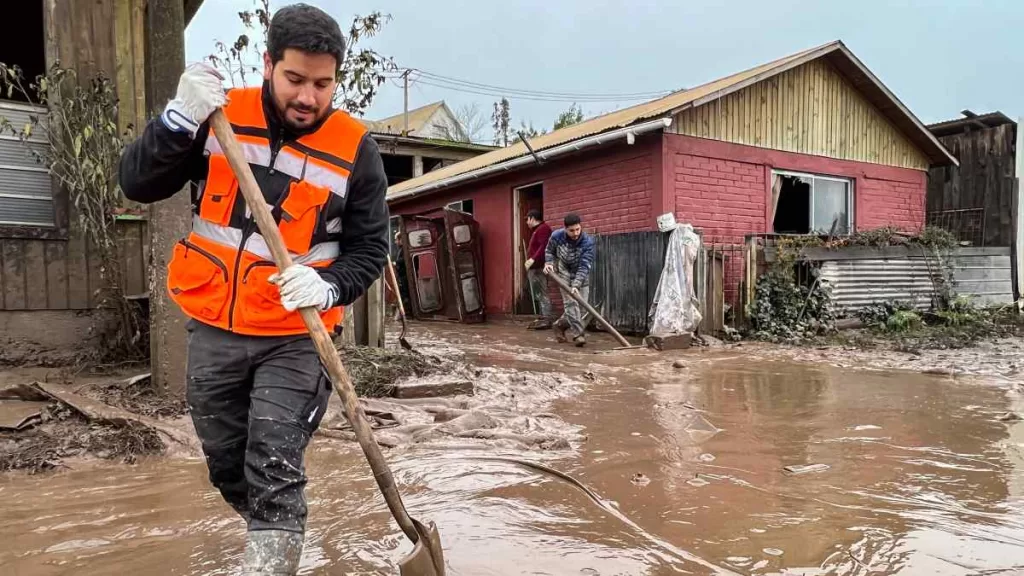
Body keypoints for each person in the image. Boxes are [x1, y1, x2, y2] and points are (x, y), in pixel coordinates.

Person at [117, 4, 389, 574]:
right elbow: (138, 184)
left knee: (274, 455)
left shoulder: (355, 150)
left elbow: (369, 250)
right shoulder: (219, 117)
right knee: (226, 464)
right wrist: (175, 122)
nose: (308, 97)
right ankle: (274, 531)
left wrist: (327, 285)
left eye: (323, 83)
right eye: (295, 79)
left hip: (295, 335)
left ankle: (272, 553)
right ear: (268, 65)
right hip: (216, 326)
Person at [544, 213, 595, 347]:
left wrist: (576, 285)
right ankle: (578, 335)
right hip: (564, 272)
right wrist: (548, 262)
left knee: (582, 309)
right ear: (565, 229)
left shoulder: (587, 242)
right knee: (571, 304)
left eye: (578, 229)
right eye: (571, 230)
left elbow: (585, 266)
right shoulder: (557, 236)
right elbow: (549, 250)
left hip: (581, 274)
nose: (575, 233)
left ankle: (559, 325)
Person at [523, 209, 553, 329]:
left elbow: (544, 246)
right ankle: (542, 317)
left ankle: (546, 319)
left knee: (542, 293)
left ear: (532, 218)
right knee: (537, 293)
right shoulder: (538, 230)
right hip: (534, 268)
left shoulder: (543, 229)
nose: (527, 222)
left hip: (538, 267)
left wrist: (533, 259)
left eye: (527, 219)